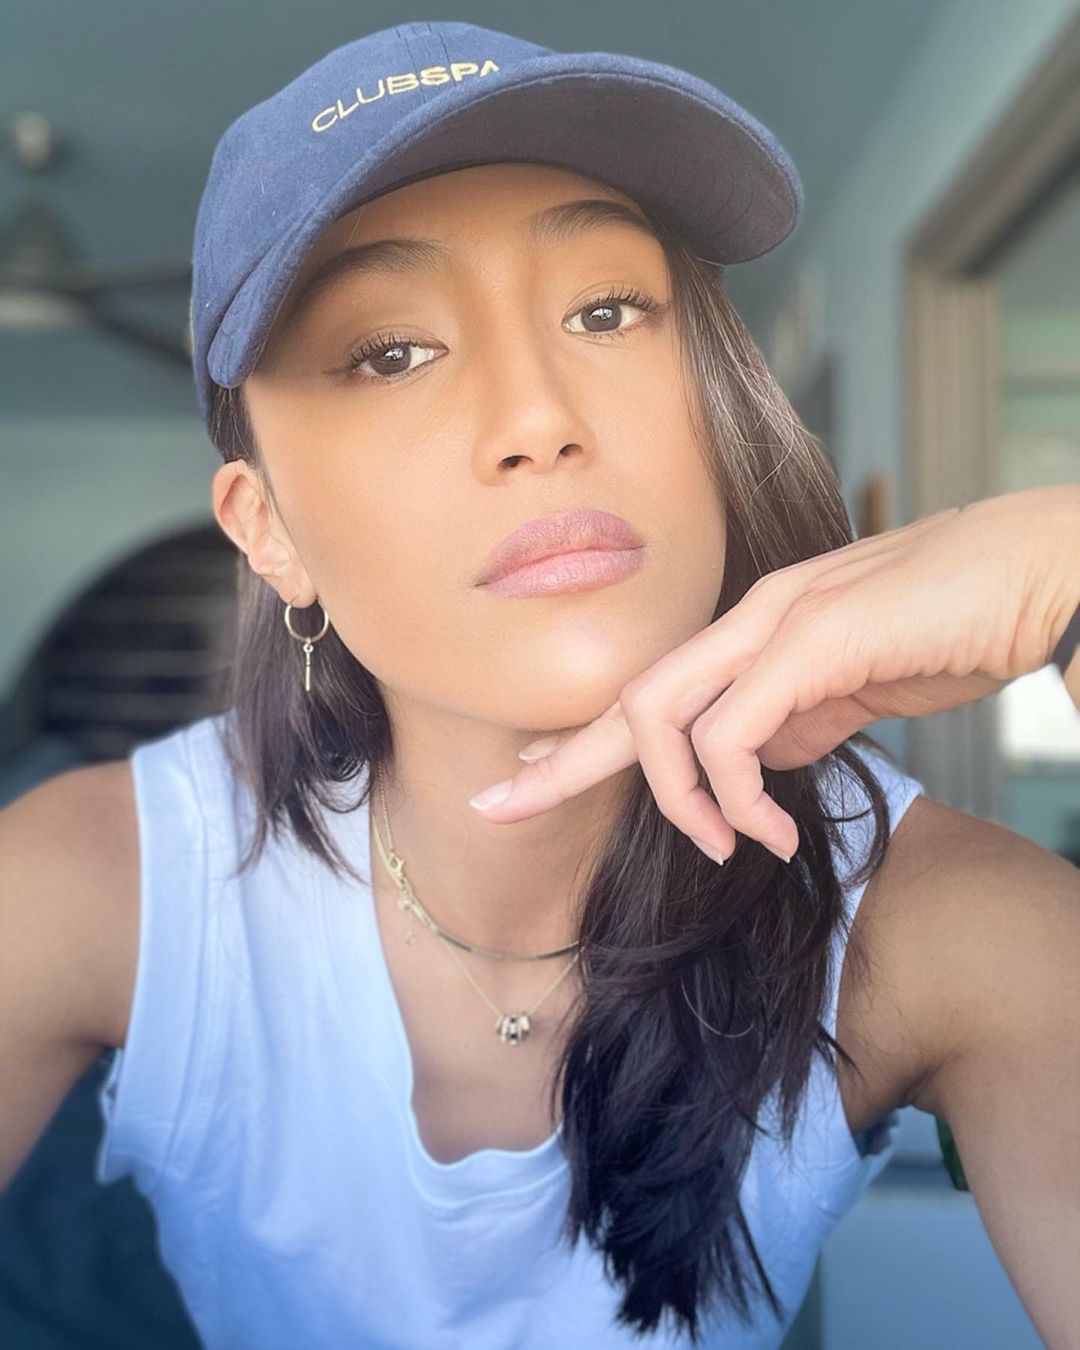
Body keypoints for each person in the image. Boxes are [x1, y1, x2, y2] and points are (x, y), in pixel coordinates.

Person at [1, 20, 1077, 1350]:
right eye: (390, 351)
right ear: (268, 531)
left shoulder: (940, 920)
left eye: (606, 311)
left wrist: (1065, 579)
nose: (537, 418)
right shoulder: (98, 882)